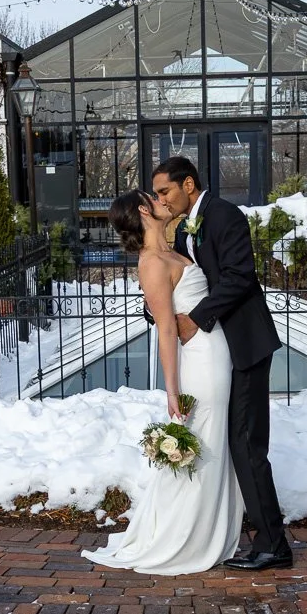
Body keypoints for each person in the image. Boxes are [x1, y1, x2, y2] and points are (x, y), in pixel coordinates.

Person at [81, 187, 243, 575]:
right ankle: (186, 536)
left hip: (217, 352)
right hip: (201, 363)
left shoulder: (174, 250)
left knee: (216, 441)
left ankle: (210, 532)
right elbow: (166, 331)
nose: (162, 201)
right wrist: (172, 390)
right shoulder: (152, 262)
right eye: (154, 198)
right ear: (143, 210)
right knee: (204, 445)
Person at [151, 157, 292, 571]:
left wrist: (194, 318)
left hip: (245, 343)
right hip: (217, 351)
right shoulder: (184, 231)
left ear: (188, 184)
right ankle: (247, 534)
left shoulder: (224, 214)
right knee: (234, 444)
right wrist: (158, 311)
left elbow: (239, 276)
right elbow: (183, 283)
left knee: (247, 445)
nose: (162, 199)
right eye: (157, 194)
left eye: (165, 191)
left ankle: (273, 545)